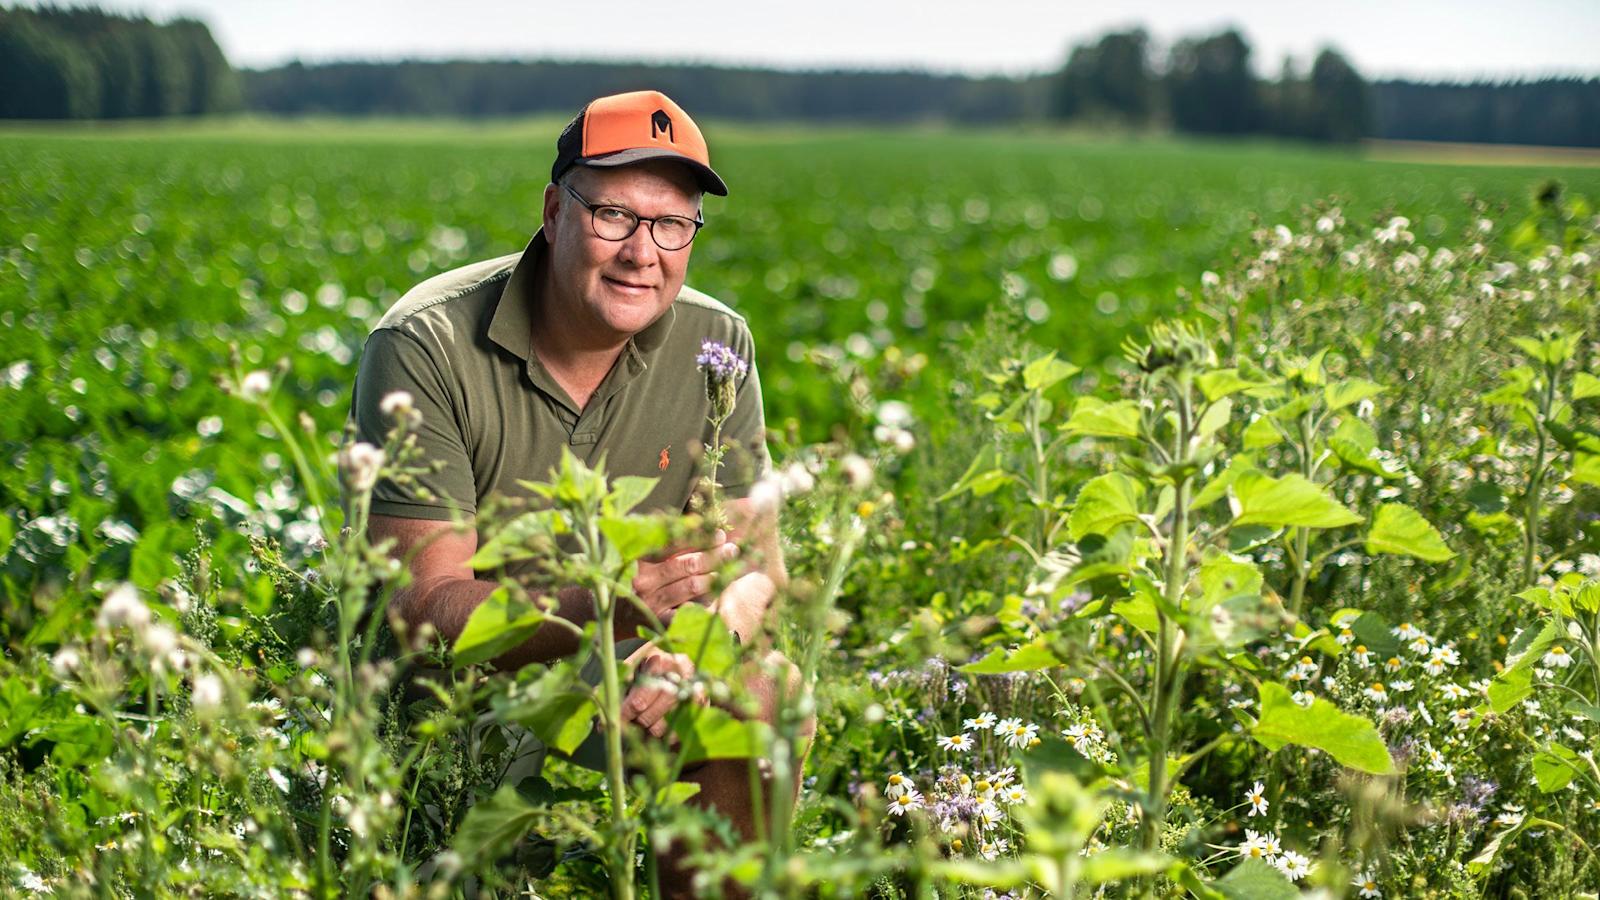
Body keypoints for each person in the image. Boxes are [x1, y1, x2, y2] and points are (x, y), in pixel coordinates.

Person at [346, 89, 794, 894]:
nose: (642, 251)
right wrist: (611, 600)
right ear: (554, 211)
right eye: (614, 215)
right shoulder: (425, 345)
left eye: (672, 224)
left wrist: (699, 646)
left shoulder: (715, 343)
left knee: (758, 687)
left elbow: (757, 565)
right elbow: (419, 607)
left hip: (637, 675)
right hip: (464, 708)